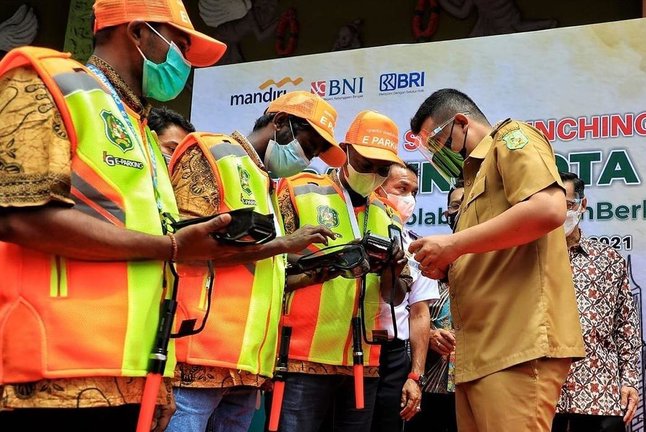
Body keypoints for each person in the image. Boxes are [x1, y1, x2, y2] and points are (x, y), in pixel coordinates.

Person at [0, 0, 237, 430]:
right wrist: (173, 246)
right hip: (51, 380)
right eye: (179, 45)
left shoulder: (142, 129)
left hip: (129, 378)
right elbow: (19, 217)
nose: (183, 62)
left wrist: (157, 381)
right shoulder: (48, 82)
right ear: (138, 32)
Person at [164, 90, 345, 432]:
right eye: (309, 146)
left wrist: (312, 272)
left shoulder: (269, 185)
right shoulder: (214, 153)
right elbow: (186, 246)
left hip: (249, 362)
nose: (309, 159)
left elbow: (260, 272)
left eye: (317, 153)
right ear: (280, 123)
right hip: (198, 353)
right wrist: (284, 244)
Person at [407, 88, 585, 432]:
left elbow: (549, 208)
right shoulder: (472, 182)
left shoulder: (511, 138)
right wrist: (447, 264)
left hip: (516, 345)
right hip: (479, 352)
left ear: (461, 122)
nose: (437, 156)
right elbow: (493, 249)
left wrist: (453, 245)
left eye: (439, 142)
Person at [272, 110, 412, 432]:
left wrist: (392, 270)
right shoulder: (299, 189)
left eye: (382, 169)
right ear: (346, 150)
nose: (373, 174)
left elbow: (395, 295)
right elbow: (271, 268)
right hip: (301, 356)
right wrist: (325, 266)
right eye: (365, 164)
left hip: (364, 362)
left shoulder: (388, 214)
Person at [552, 172, 641, 432]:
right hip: (544, 395)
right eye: (554, 206)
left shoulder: (608, 260)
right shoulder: (527, 259)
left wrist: (629, 382)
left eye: (568, 205)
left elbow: (626, 327)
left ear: (583, 204)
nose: (561, 213)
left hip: (599, 393)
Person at [371, 162, 439, 432]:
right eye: (401, 188)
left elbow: (420, 314)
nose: (409, 198)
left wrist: (415, 376)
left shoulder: (416, 248)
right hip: (351, 350)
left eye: (414, 191)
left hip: (394, 357)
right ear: (377, 188)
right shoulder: (356, 234)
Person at [406, 180, 463, 432]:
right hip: (428, 384)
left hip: (478, 383)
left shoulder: (499, 260)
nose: (460, 211)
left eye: (467, 204)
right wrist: (427, 335)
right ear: (446, 213)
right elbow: (403, 312)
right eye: (455, 205)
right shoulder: (430, 255)